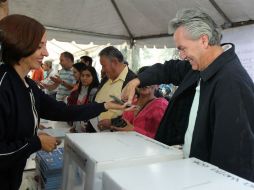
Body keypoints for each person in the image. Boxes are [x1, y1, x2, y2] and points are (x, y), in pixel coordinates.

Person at [122, 9, 254, 181]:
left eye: (183, 49)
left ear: (204, 40)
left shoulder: (231, 83)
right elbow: (168, 69)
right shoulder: (200, 66)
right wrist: (137, 80)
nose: (182, 56)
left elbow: (233, 156)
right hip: (188, 169)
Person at [0, 14, 126, 189]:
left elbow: (62, 111)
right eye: (39, 46)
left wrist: (104, 106)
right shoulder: (3, 85)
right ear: (20, 45)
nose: (46, 53)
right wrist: (36, 142)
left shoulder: (27, 85)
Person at [110, 66, 168, 139]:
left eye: (149, 80)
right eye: (142, 81)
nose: (145, 84)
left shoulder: (161, 105)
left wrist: (134, 130)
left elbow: (163, 137)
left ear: (157, 85)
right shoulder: (131, 102)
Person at [95, 46, 136, 131]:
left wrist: (112, 122)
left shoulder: (132, 81)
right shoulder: (107, 77)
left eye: (103, 66)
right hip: (95, 128)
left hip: (113, 134)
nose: (102, 70)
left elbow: (133, 111)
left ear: (114, 62)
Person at [68, 66, 100, 132]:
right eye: (82, 75)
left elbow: (92, 112)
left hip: (88, 128)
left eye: (88, 76)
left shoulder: (94, 91)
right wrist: (74, 126)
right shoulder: (80, 90)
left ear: (93, 77)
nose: (84, 78)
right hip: (78, 126)